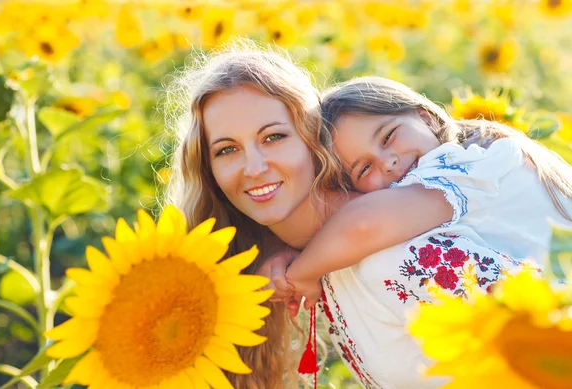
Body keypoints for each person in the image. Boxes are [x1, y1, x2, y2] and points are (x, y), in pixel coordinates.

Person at [165, 40, 538, 389]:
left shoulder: (395, 254)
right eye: (226, 150)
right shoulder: (318, 263)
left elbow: (545, 333)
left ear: (316, 141)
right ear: (208, 170)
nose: (254, 167)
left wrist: (297, 272)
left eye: (273, 137)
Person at [281, 76, 572, 309]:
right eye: (364, 169)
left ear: (426, 118)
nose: (388, 162)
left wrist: (299, 273)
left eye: (388, 136)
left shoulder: (461, 164)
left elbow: (363, 225)